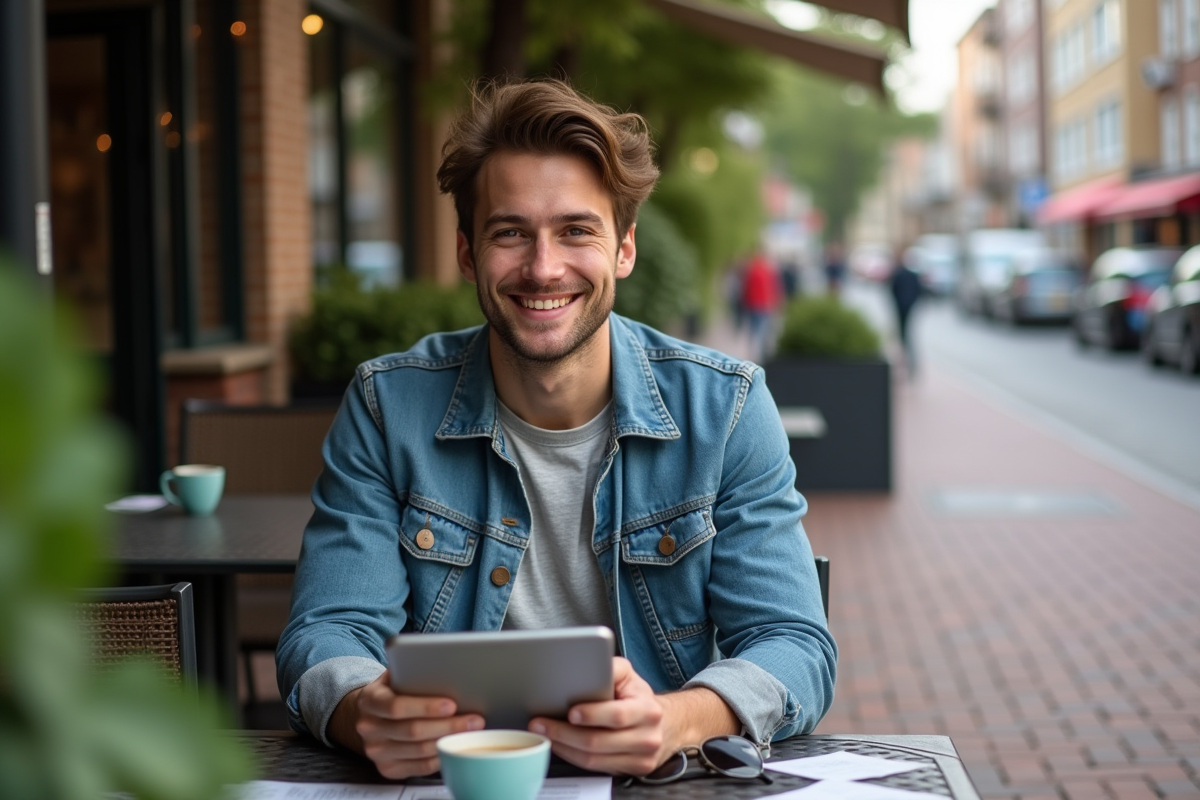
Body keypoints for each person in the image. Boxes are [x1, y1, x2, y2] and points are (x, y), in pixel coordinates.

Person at [276, 79, 836, 781]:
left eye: (577, 230)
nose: (544, 268)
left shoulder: (725, 408)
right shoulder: (386, 407)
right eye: (510, 232)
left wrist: (674, 719)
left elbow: (794, 643)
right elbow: (326, 630)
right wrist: (364, 712)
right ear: (467, 254)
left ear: (624, 249)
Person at [740, 250, 783, 363]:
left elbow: (746, 288)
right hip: (764, 305)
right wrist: (776, 302)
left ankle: (752, 355)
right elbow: (775, 288)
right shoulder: (769, 270)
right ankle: (761, 356)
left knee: (753, 331)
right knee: (763, 331)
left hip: (753, 304)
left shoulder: (751, 270)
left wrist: (745, 302)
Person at [889, 247, 923, 376]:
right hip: (906, 308)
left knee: (904, 336)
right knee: (905, 336)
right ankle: (907, 363)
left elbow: (892, 291)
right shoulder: (908, 274)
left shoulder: (899, 274)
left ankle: (906, 362)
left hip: (903, 309)